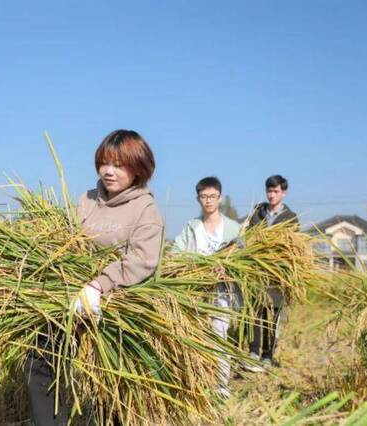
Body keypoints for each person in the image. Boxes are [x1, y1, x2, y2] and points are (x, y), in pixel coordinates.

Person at [24, 129, 164, 425]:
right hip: (70, 301)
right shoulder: (86, 201)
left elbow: (142, 260)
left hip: (116, 309)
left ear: (139, 168)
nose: (108, 171)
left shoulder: (145, 209)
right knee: (39, 360)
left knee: (110, 386)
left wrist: (98, 284)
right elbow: (65, 242)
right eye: (104, 163)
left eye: (119, 165)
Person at [172, 176, 241, 398]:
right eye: (203, 197)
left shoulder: (234, 228)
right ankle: (197, 382)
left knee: (219, 336)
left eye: (212, 196)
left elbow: (242, 261)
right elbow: (176, 253)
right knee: (196, 336)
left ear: (220, 198)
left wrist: (227, 270)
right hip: (195, 292)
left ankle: (221, 386)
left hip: (223, 292)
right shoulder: (192, 227)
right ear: (198, 199)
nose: (208, 201)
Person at [245, 174, 298, 372]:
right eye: (269, 191)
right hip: (257, 271)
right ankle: (253, 351)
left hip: (276, 275)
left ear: (283, 193)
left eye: (276, 191)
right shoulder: (258, 213)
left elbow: (293, 246)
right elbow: (248, 235)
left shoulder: (290, 218)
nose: (272, 195)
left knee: (273, 316)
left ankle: (268, 354)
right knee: (255, 313)